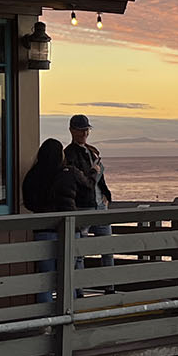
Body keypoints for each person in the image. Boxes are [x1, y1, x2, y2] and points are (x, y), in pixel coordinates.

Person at [21, 138, 91, 303]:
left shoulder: (32, 175)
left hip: (43, 230)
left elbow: (29, 202)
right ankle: (68, 319)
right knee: (68, 279)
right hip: (68, 230)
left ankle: (45, 322)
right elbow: (87, 192)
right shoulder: (70, 173)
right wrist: (94, 172)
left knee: (45, 279)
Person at [64, 115, 115, 281]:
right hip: (83, 206)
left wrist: (106, 195)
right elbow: (80, 181)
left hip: (100, 205)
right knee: (79, 252)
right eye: (81, 129)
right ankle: (79, 292)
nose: (84, 133)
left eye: (87, 129)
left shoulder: (92, 151)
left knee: (107, 250)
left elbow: (100, 177)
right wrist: (92, 171)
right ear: (72, 130)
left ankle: (109, 288)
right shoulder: (69, 155)